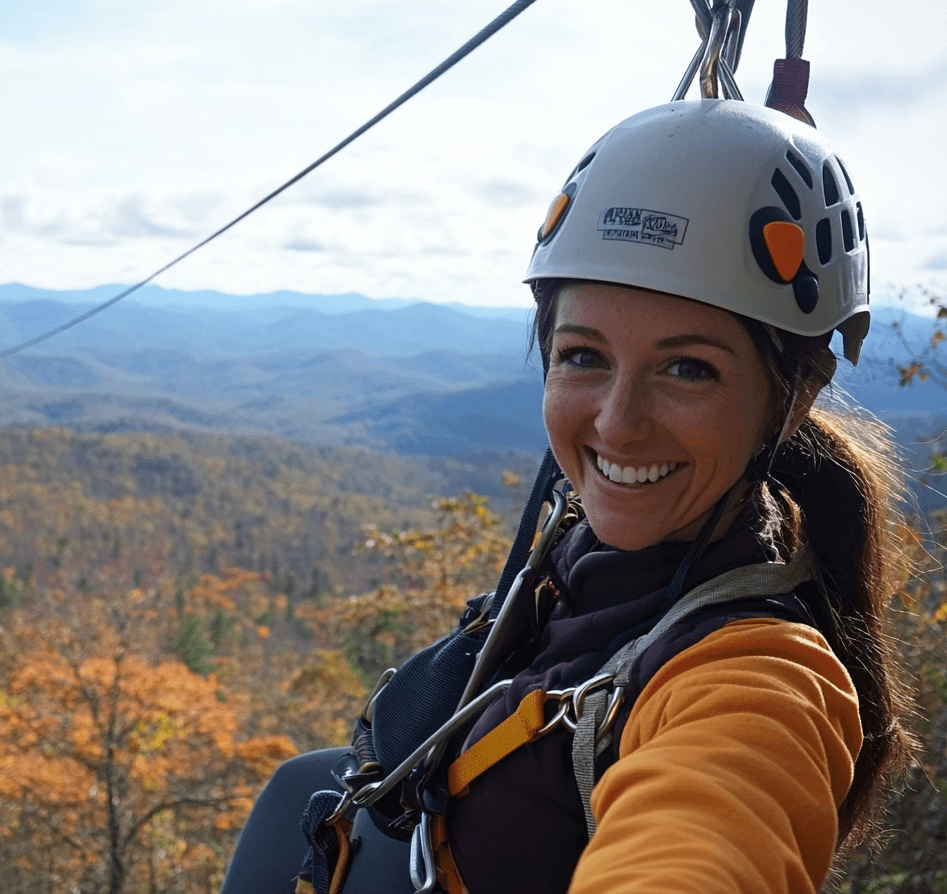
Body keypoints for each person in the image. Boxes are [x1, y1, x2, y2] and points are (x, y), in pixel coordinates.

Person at [221, 97, 914, 894]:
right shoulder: (585, 556)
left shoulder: (762, 684)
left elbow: (702, 836)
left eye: (688, 368)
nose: (617, 427)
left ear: (792, 399)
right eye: (583, 356)